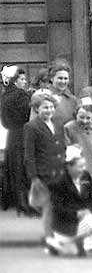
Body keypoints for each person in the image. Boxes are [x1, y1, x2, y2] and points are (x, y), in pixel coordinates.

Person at [24, 92, 67, 238]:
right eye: (45, 108)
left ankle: (58, 233)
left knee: (59, 206)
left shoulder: (58, 124)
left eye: (51, 107)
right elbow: (29, 154)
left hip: (60, 170)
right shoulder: (31, 127)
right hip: (44, 173)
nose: (49, 110)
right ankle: (49, 237)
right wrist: (34, 177)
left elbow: (62, 146)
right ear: (36, 109)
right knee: (49, 207)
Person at [45, 145, 92, 256]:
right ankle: (59, 242)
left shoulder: (86, 176)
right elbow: (58, 208)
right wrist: (76, 213)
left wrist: (88, 209)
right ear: (69, 167)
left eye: (84, 166)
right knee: (70, 252)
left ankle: (71, 243)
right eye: (80, 166)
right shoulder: (58, 183)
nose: (83, 169)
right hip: (65, 222)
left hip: (83, 218)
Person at [1, 65, 33, 215]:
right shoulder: (21, 96)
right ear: (14, 81)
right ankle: (25, 203)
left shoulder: (4, 96)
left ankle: (20, 203)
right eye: (22, 79)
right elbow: (30, 113)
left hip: (11, 135)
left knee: (16, 168)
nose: (25, 81)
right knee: (24, 167)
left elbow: (4, 121)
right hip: (23, 133)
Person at [64, 99, 92, 179]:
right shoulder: (69, 127)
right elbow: (66, 145)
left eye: (88, 118)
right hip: (80, 162)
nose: (84, 121)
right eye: (81, 117)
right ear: (76, 114)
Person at [47, 60, 77, 128]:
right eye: (60, 78)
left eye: (66, 78)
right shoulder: (43, 97)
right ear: (52, 78)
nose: (63, 81)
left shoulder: (73, 100)